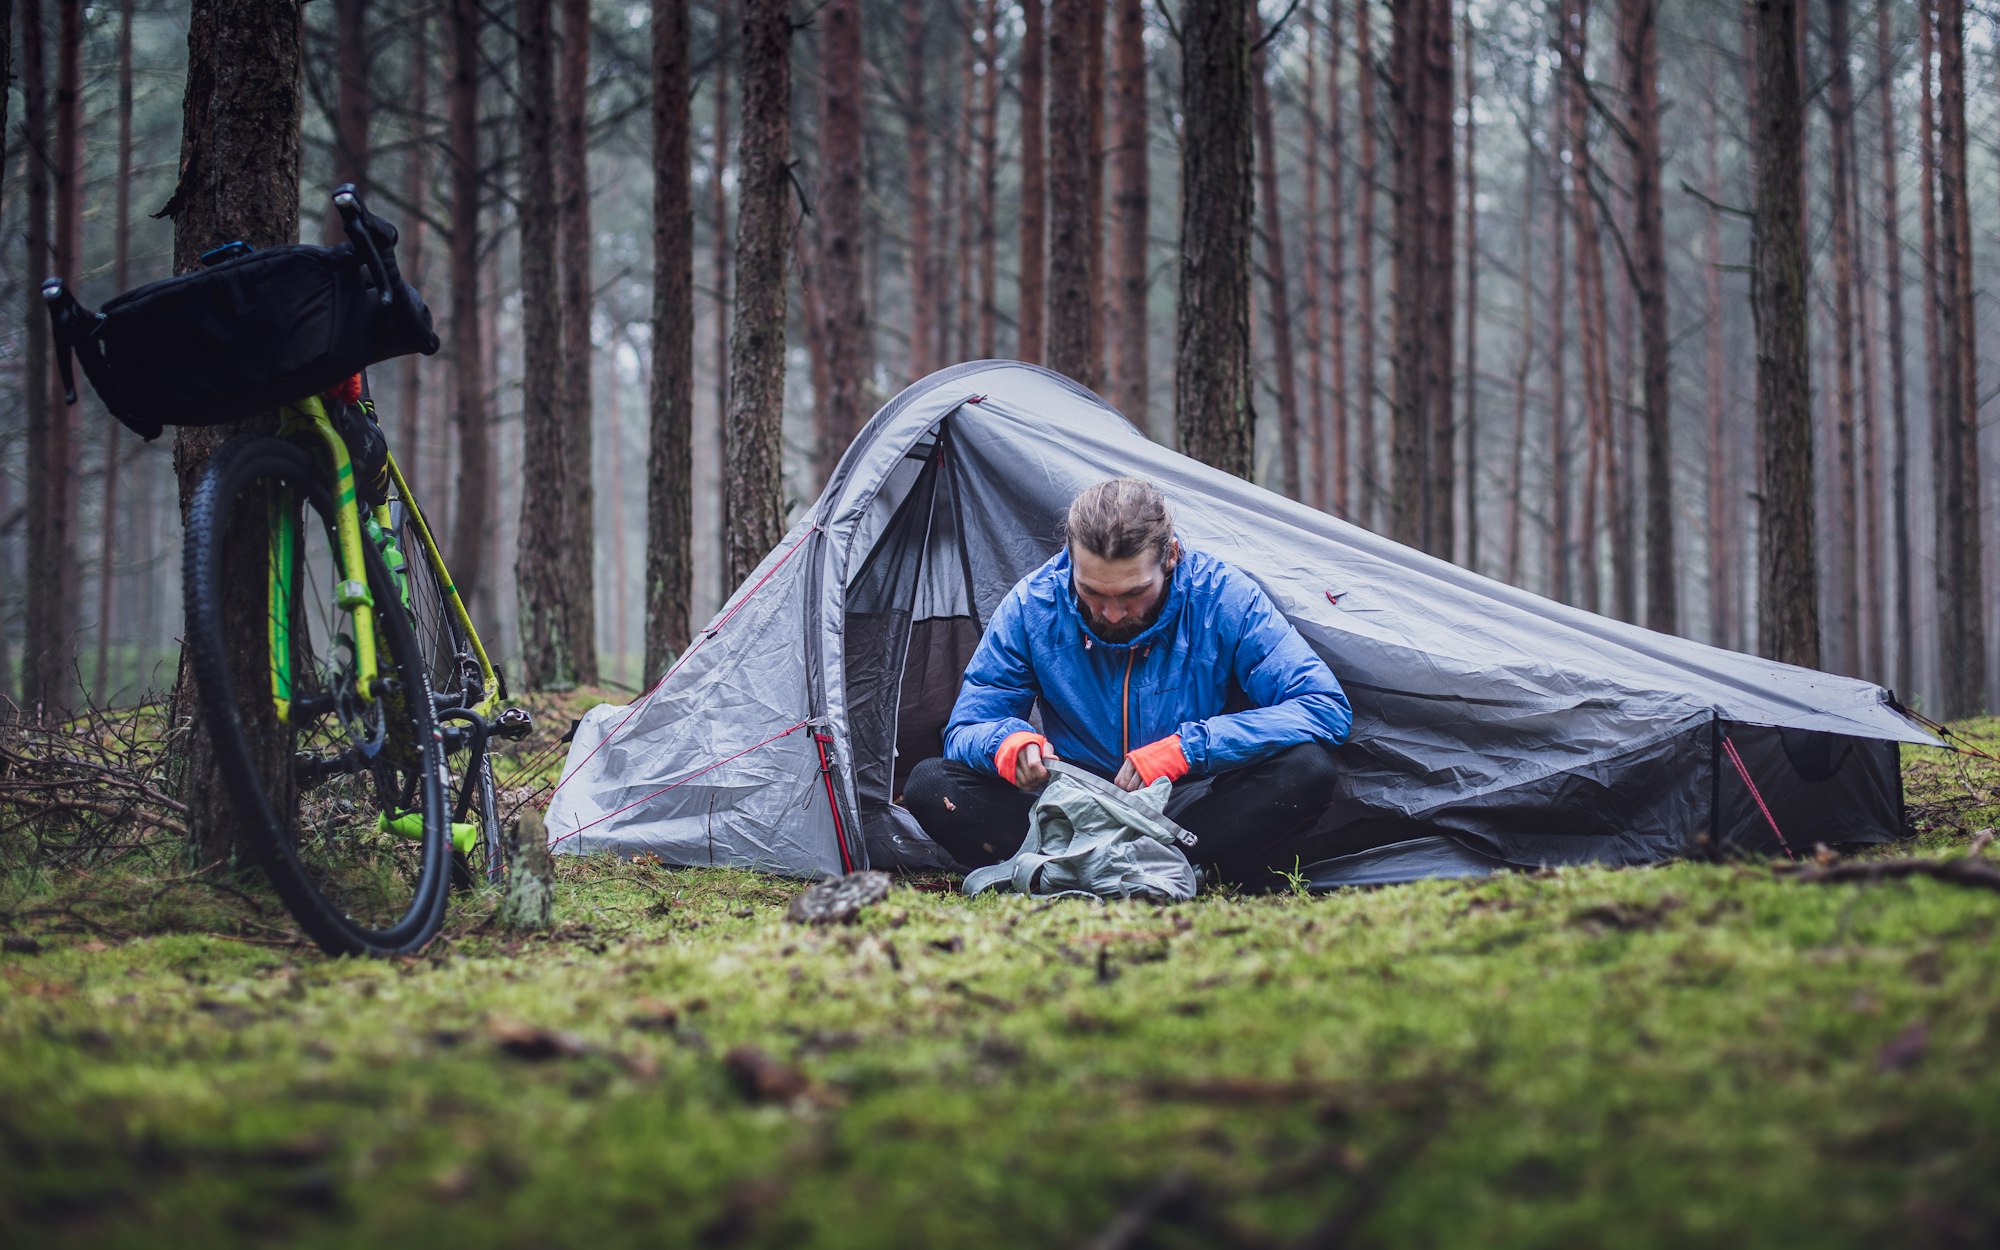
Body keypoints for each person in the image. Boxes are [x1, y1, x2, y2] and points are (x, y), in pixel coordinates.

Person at [901, 477, 1353, 887]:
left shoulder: (1224, 597)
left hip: (1185, 808)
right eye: (1092, 593)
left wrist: (1187, 749)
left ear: (1171, 556)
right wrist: (1008, 745)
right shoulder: (1031, 606)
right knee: (929, 785)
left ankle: (1116, 871)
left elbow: (1323, 707)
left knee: (1308, 771)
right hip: (1067, 809)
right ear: (1070, 562)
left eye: (1134, 594)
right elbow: (967, 728)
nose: (1112, 613)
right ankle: (1129, 870)